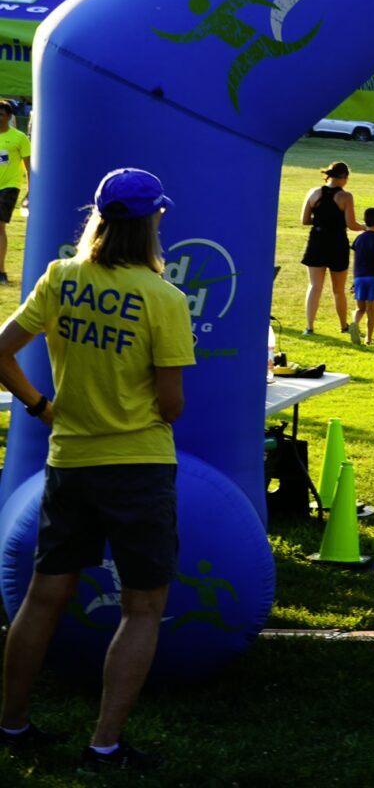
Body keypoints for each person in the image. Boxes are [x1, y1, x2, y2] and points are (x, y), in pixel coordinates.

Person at [0, 168, 193, 772]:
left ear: (100, 219)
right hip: (138, 466)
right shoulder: (164, 298)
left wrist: (42, 407)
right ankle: (104, 745)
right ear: (153, 220)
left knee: (42, 598)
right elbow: (171, 406)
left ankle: (11, 725)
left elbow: (1, 351)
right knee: (143, 608)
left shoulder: (61, 276)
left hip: (71, 461)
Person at [299, 162, 363, 334]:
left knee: (314, 286)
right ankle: (343, 326)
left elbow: (305, 220)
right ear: (344, 177)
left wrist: (322, 220)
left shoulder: (314, 193)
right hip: (337, 242)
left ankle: (309, 327)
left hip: (317, 241)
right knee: (338, 290)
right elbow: (351, 224)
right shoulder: (345, 197)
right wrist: (365, 227)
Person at [0, 101, 32, 285]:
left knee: (0, 227)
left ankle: (1, 272)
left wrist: (31, 190)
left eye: (0, 114)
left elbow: (29, 167)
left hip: (9, 187)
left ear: (9, 116)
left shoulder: (19, 138)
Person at [349, 207, 374, 345]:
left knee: (360, 308)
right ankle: (368, 338)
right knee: (371, 311)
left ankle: (354, 324)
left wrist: (354, 281)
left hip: (359, 278)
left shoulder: (358, 240)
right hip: (372, 279)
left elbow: (355, 261)